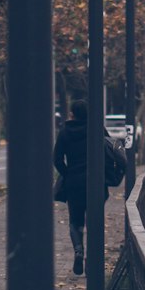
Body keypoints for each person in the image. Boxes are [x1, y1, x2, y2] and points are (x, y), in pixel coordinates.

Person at [53, 98, 126, 276]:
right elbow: (110, 150)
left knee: (75, 221)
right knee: (94, 220)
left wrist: (67, 173)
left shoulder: (65, 132)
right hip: (96, 182)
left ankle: (78, 249)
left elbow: (56, 159)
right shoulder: (97, 130)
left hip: (74, 183)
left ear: (72, 114)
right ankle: (92, 260)